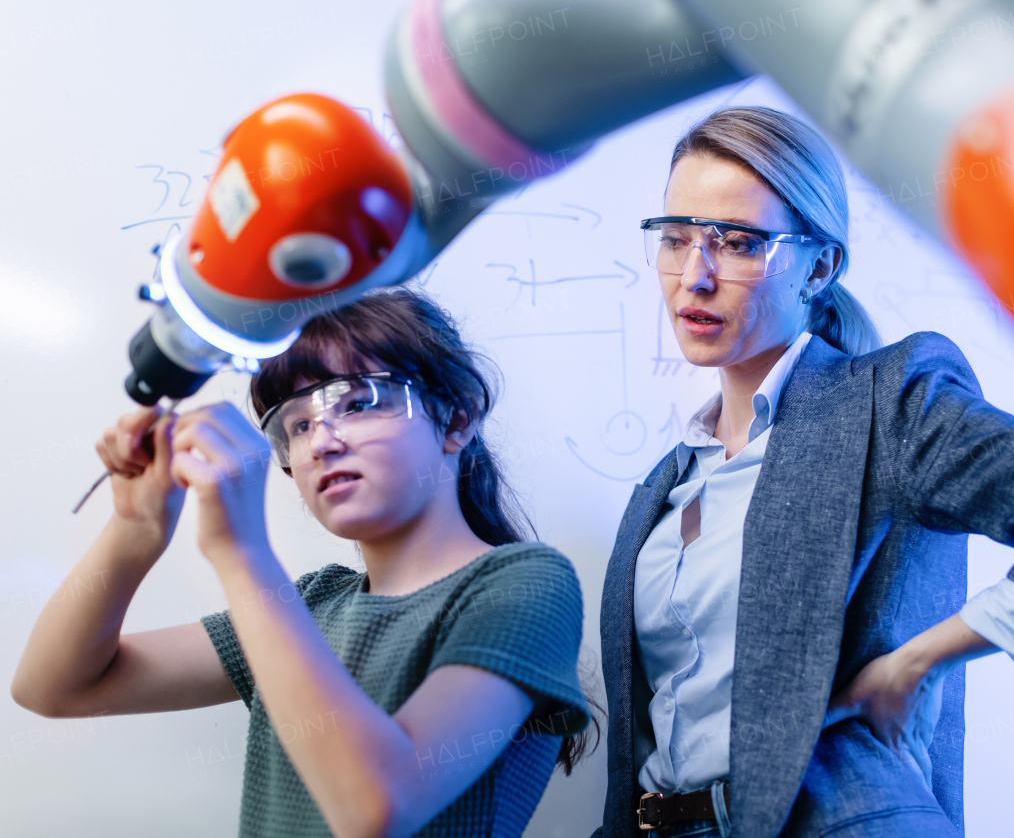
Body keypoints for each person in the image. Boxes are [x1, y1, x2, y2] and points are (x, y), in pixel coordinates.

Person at [595, 107, 1014, 838]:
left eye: (741, 242)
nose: (697, 275)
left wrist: (917, 660)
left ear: (820, 266)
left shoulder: (889, 405)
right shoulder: (665, 485)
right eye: (678, 237)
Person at [12, 286, 596, 838]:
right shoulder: (312, 604)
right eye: (297, 425)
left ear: (458, 418)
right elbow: (53, 687)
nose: (321, 442)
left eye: (359, 403)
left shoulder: (524, 584)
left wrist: (241, 551)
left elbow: (375, 808)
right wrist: (134, 531)